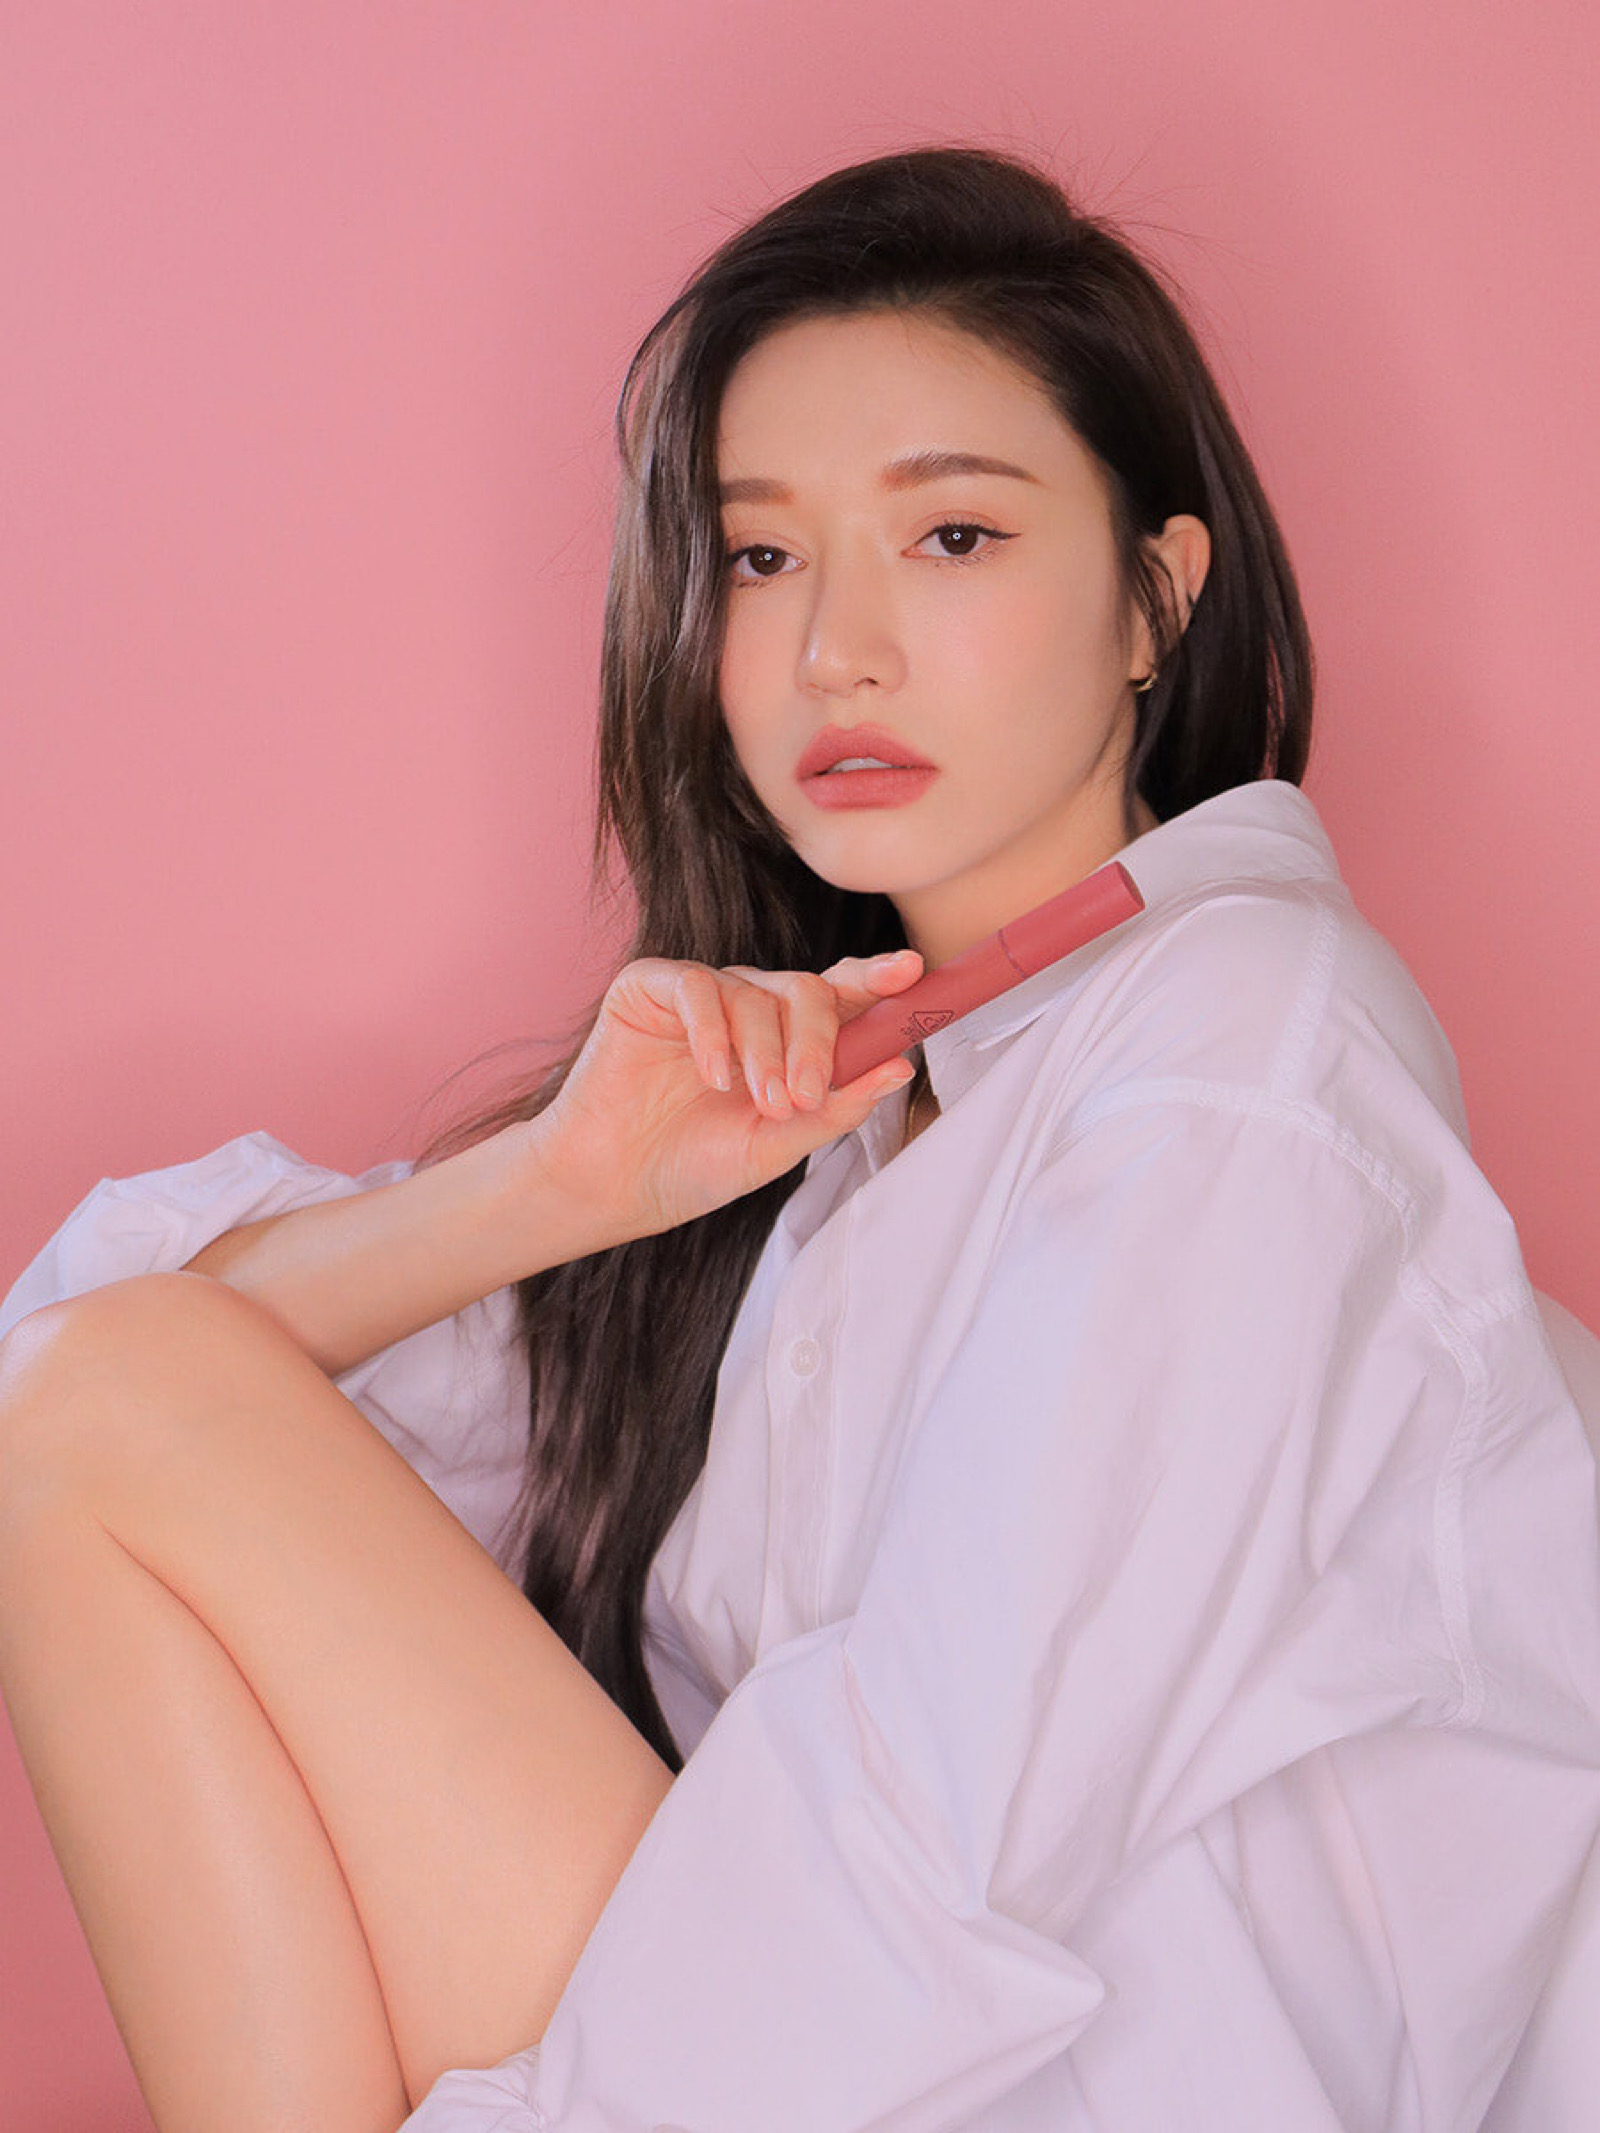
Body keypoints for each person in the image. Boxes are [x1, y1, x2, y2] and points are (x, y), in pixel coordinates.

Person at [1, 142, 1598, 2133]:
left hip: (1019, 2084)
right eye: (761, 558)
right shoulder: (820, 1113)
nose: (836, 646)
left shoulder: (1241, 1036)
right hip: (816, 2057)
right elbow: (90, 1391)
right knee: (104, 1392)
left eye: (951, 535)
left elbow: (934, 1842)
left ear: (1153, 598)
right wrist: (550, 1190)